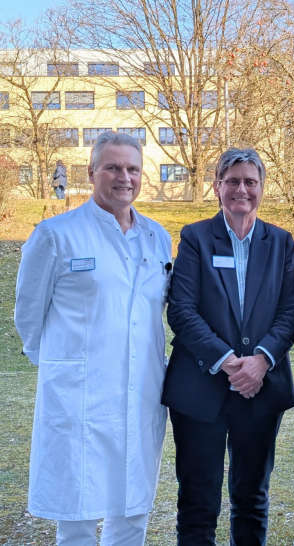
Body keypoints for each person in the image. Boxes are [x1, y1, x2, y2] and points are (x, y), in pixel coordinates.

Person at [14, 131, 172, 545]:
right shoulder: (55, 234)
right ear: (91, 172)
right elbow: (28, 316)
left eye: (133, 168)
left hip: (142, 390)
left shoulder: (158, 237)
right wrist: (63, 364)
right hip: (80, 394)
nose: (125, 177)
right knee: (78, 513)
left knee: (133, 508)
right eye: (113, 167)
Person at [162, 148, 294, 545]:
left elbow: (290, 311)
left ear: (262, 188)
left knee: (252, 498)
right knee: (198, 502)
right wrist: (228, 362)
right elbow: (182, 311)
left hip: (261, 388)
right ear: (218, 186)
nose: (242, 189)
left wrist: (261, 361)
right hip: (200, 388)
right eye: (233, 181)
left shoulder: (281, 242)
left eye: (250, 182)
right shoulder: (195, 237)